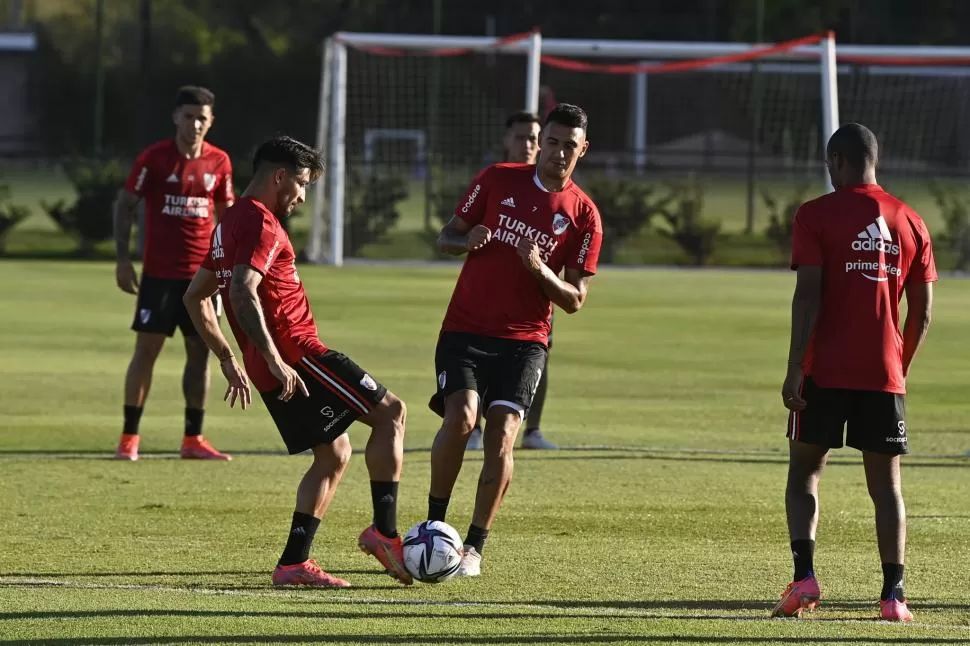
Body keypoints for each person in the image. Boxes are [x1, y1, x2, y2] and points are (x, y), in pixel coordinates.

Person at [182, 135, 411, 587]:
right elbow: (241, 290)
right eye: (302, 183)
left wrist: (231, 357)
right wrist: (273, 356)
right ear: (279, 176)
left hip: (274, 365)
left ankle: (293, 564)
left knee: (335, 453)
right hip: (298, 356)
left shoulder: (229, 223)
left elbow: (196, 296)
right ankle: (384, 534)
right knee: (391, 414)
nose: (303, 195)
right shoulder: (261, 223)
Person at [427, 104, 603, 577]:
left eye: (571, 145)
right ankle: (433, 525)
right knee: (461, 420)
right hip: (464, 327)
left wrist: (539, 268)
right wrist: (467, 241)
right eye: (552, 141)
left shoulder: (585, 215)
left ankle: (475, 548)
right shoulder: (497, 179)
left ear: (582, 150)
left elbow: (574, 299)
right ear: (539, 142)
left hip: (525, 340)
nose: (559, 152)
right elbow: (446, 236)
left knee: (503, 435)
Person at [775, 123, 936, 622]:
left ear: (839, 161)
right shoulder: (910, 220)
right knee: (886, 487)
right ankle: (894, 597)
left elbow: (808, 294)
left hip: (823, 369)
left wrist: (794, 367)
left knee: (805, 470)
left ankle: (804, 579)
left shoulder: (815, 215)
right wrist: (897, 365)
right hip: (882, 374)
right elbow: (923, 312)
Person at [113, 85, 235, 461]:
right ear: (175, 117)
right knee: (146, 351)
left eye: (202, 118)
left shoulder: (220, 162)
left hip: (202, 278)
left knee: (200, 353)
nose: (195, 124)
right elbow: (125, 205)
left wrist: (225, 269)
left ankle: (193, 439)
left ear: (211, 121)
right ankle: (129, 436)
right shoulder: (154, 159)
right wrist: (122, 259)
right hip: (159, 275)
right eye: (188, 116)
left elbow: (227, 218)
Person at [466, 110, 557, 452]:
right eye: (521, 137)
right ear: (506, 140)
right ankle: (473, 429)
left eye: (534, 138)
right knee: (480, 356)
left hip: (535, 293)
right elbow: (456, 231)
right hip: (488, 292)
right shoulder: (494, 179)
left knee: (540, 354)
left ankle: (532, 430)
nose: (528, 144)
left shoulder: (555, 185)